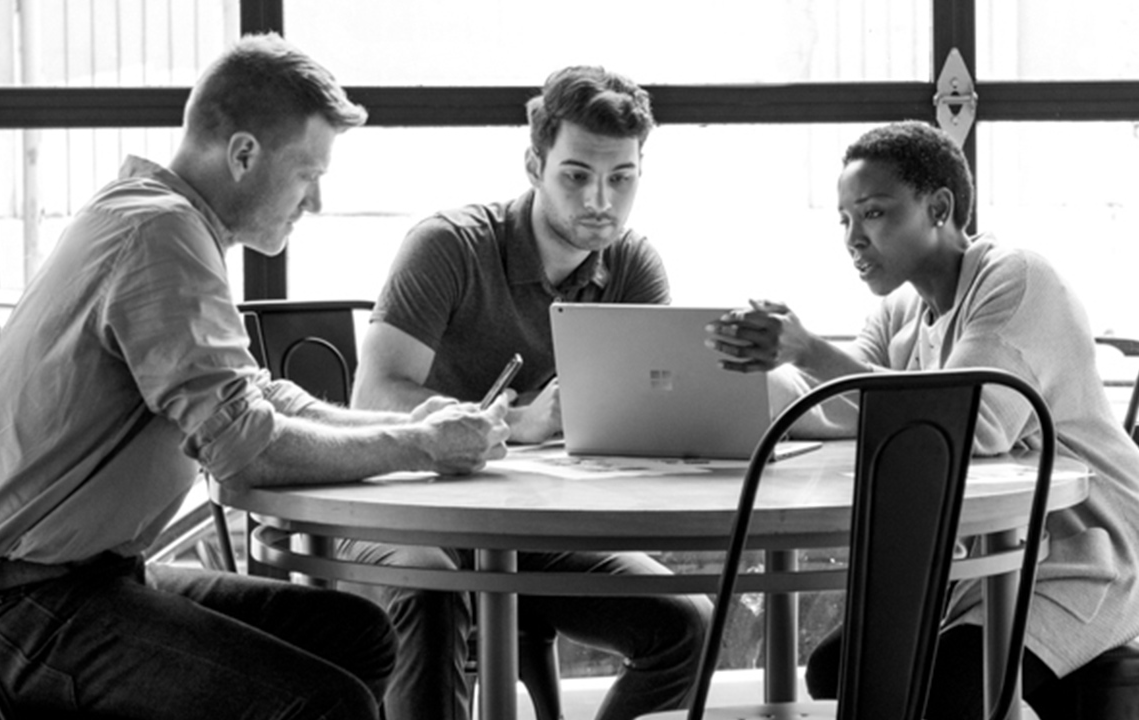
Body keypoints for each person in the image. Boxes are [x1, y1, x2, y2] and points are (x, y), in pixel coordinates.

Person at [0, 34, 513, 720]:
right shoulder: (162, 236)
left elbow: (257, 395)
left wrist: (408, 425)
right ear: (242, 154)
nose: (316, 202)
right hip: (26, 609)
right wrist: (420, 449)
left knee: (356, 636)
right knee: (328, 705)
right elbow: (245, 447)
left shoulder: (152, 216)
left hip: (71, 585)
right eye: (307, 174)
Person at [707, 120, 1139, 719]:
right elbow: (842, 405)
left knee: (923, 700)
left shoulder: (1016, 281)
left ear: (939, 207)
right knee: (835, 670)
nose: (853, 238)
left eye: (874, 213)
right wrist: (744, 367)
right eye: (844, 220)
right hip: (983, 556)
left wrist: (807, 349)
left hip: (1079, 554)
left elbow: (974, 427)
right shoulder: (901, 309)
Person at [347, 65, 712, 720]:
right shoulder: (448, 247)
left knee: (685, 624)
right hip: (401, 512)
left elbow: (648, 414)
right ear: (534, 164)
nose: (600, 199)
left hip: (536, 526)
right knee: (434, 594)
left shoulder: (633, 267)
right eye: (576, 175)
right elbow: (371, 399)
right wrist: (520, 424)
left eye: (621, 179)